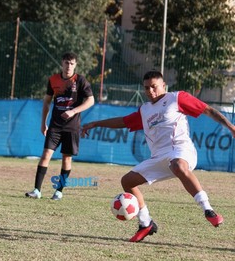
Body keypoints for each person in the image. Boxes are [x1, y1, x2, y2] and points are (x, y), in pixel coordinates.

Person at [81, 70, 235, 242]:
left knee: (177, 165)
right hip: (159, 157)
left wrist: (231, 127)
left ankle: (208, 209)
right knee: (127, 181)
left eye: (154, 87)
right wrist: (95, 123)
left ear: (163, 85)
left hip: (181, 150)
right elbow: (123, 121)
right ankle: (146, 223)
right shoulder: (145, 110)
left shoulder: (177, 98)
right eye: (146, 88)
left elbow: (208, 110)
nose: (150, 92)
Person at [26, 52, 94, 200]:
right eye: (66, 63)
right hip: (55, 126)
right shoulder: (53, 80)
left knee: (66, 159)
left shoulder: (80, 81)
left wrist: (73, 111)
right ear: (62, 63)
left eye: (71, 63)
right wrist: (43, 122)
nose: (68, 66)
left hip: (72, 127)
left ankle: (59, 191)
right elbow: (47, 102)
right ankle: (37, 190)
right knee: (45, 155)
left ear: (75, 65)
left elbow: (90, 101)